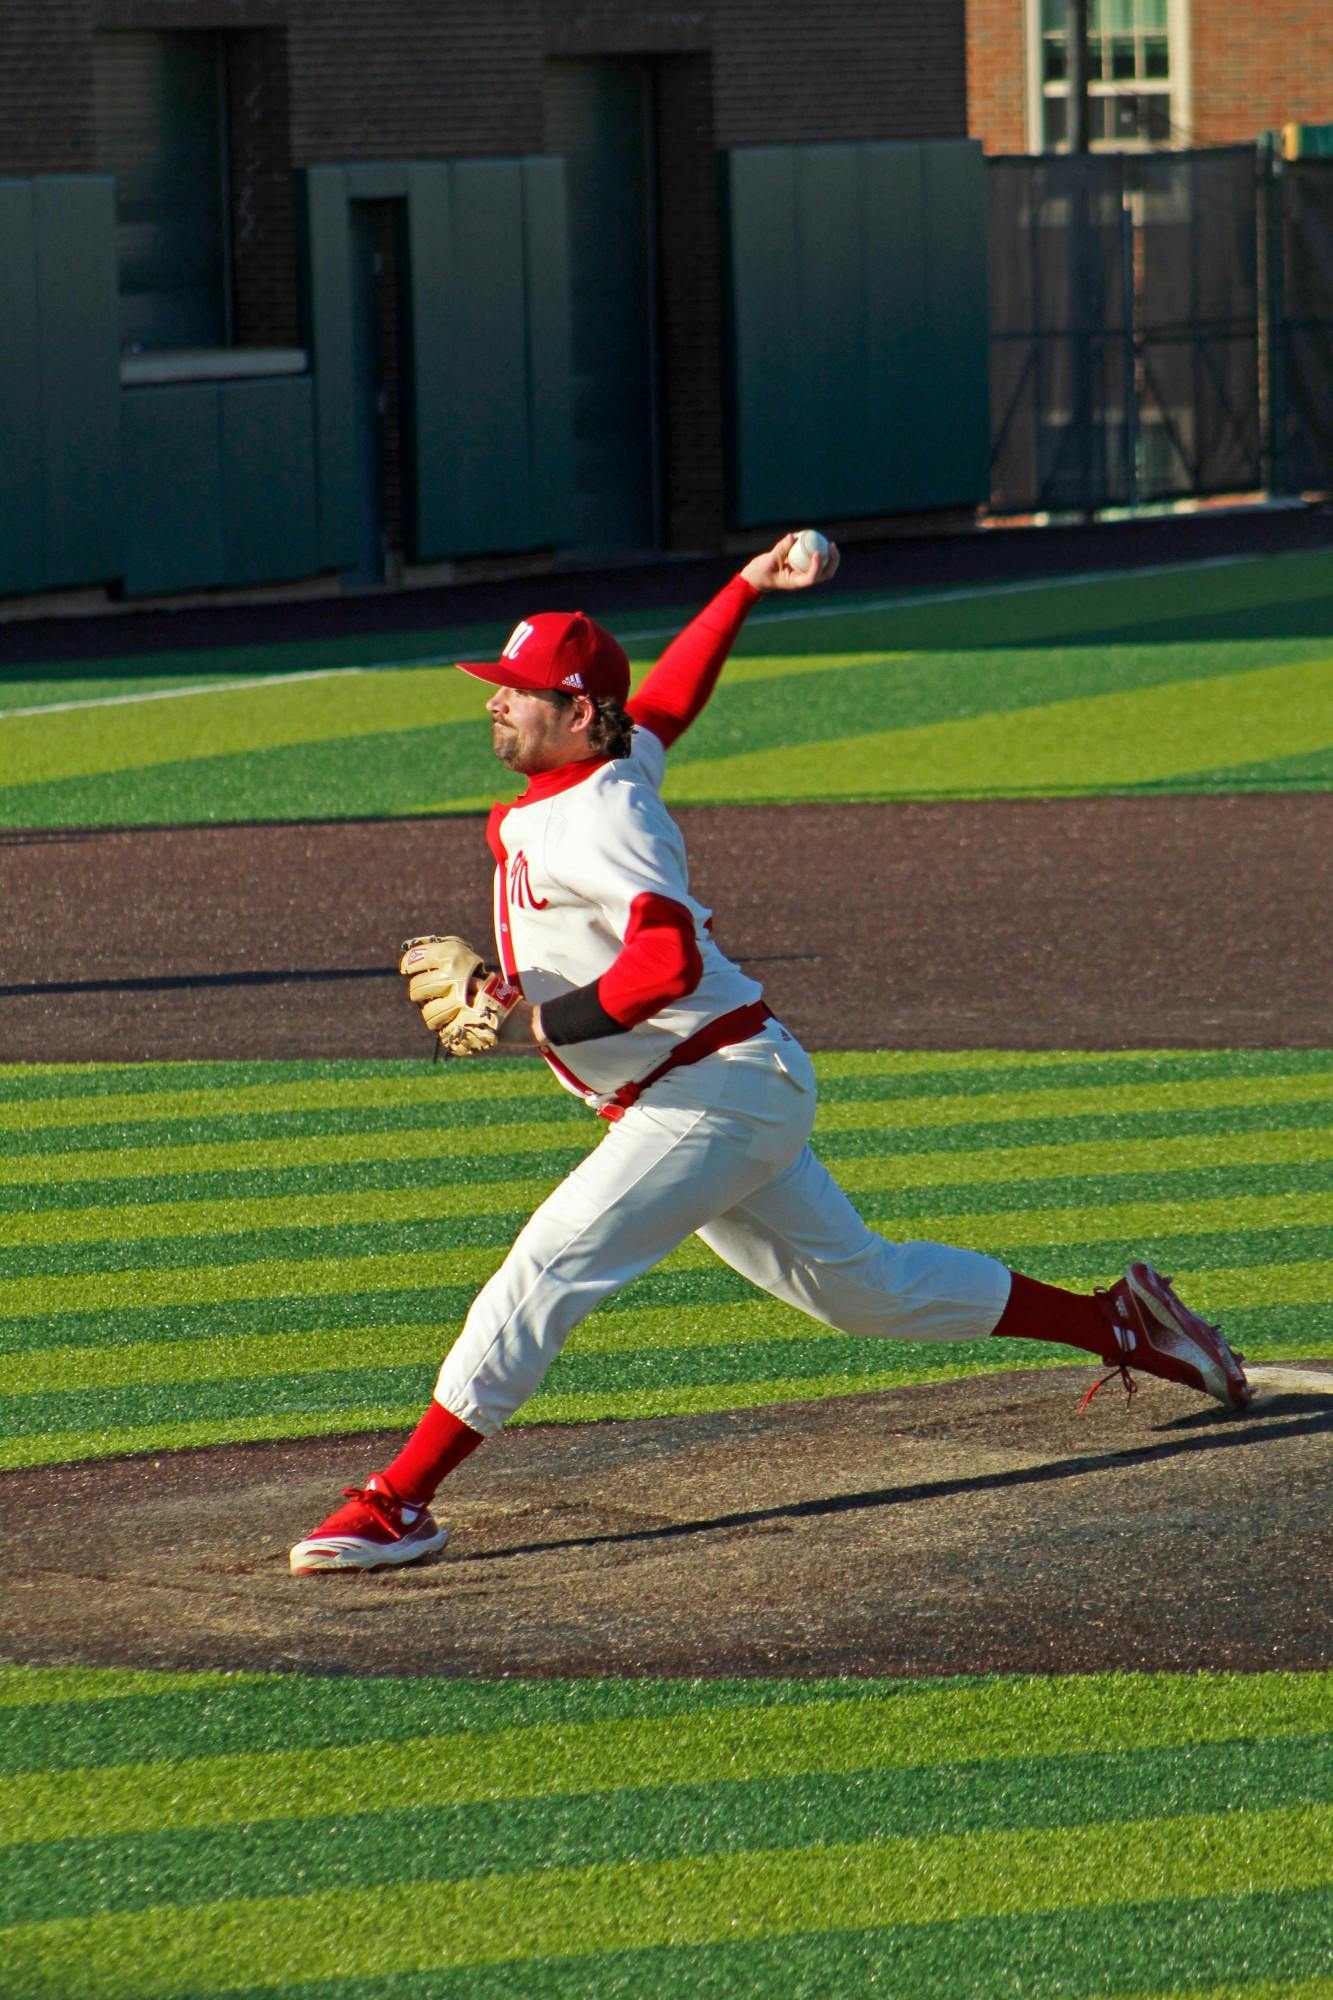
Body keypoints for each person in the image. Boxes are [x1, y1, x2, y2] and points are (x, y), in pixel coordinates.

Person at [289, 533, 1251, 1574]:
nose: (494, 701)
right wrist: (743, 584)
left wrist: (536, 1022)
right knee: (863, 1289)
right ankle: (1121, 1320)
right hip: (719, 1084)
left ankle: (398, 1499)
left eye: (518, 689)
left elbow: (662, 959)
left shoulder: (604, 815)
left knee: (549, 1265)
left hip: (714, 1089)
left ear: (574, 715)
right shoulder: (607, 764)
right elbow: (665, 704)